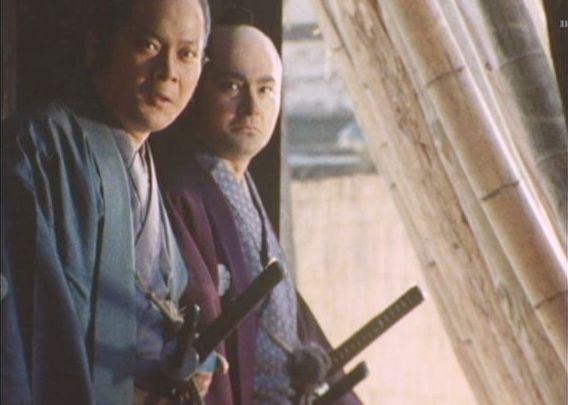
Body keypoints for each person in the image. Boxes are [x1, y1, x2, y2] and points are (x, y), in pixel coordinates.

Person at [0, 0, 214, 403]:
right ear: (97, 46)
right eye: (148, 45)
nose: (168, 72)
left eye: (186, 54)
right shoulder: (42, 146)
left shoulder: (147, 164)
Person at [153, 24, 362, 405]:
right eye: (232, 87)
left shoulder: (242, 186)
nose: (252, 108)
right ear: (196, 89)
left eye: (266, 89)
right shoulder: (181, 192)